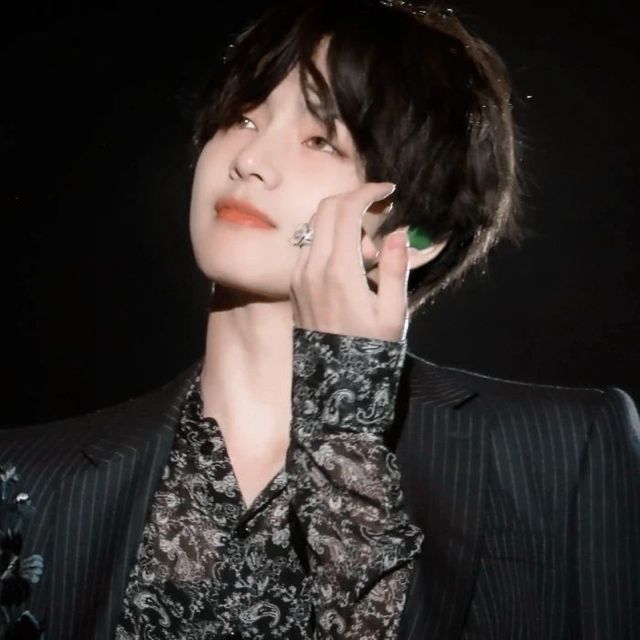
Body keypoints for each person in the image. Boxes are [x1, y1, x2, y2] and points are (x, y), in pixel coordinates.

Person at [0, 0, 638, 638]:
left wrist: (343, 413)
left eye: (320, 139)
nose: (249, 159)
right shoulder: (26, 475)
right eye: (242, 117)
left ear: (415, 232)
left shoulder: (559, 454)